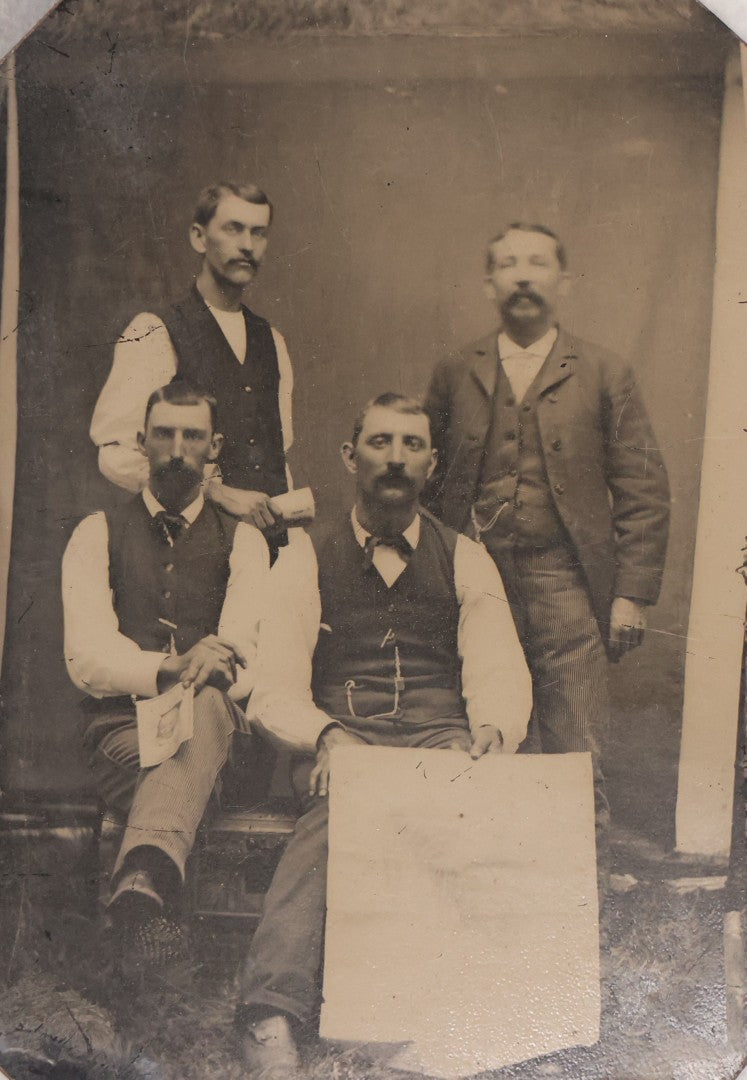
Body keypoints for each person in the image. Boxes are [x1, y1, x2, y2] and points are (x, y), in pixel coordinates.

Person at [235, 392, 532, 1078]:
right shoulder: (306, 557)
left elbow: (496, 667)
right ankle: (268, 1011)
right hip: (346, 739)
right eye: (378, 442)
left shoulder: (465, 558)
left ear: (430, 463)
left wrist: (489, 729)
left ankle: (437, 1017)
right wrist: (327, 736)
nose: (394, 458)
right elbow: (273, 689)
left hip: (436, 737)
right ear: (349, 457)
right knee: (335, 817)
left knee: (465, 810)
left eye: (410, 445)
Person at [424, 222, 670, 831]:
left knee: (574, 734)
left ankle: (582, 880)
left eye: (538, 263)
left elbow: (643, 490)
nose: (524, 276)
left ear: (565, 281)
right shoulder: (457, 371)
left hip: (566, 580)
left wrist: (631, 595)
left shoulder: (605, 372)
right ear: (488, 284)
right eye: (508, 264)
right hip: (474, 578)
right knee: (479, 720)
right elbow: (423, 478)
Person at [63, 382, 269, 966]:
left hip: (221, 736)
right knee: (183, 767)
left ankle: (141, 879)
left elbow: (244, 652)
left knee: (206, 710)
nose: (178, 450)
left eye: (193, 435)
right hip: (121, 733)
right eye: (164, 434)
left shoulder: (244, 540)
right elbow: (87, 658)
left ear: (214, 447)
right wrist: (173, 667)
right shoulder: (96, 532)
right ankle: (161, 912)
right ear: (141, 442)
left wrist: (213, 666)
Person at [90, 180, 293, 546]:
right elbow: (115, 454)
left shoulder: (272, 341)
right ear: (199, 238)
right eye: (233, 229)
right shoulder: (155, 331)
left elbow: (278, 459)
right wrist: (213, 492)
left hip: (265, 557)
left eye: (258, 233)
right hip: (186, 553)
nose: (247, 245)